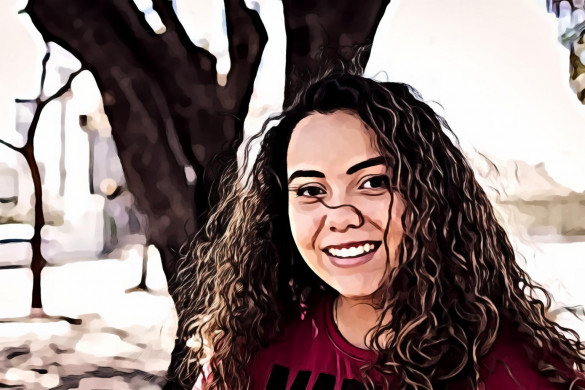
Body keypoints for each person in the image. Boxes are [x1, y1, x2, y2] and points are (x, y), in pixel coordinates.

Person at [170, 70, 585, 390]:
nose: (340, 215)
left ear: (429, 196)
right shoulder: (247, 352)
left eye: (373, 182)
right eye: (311, 190)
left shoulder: (514, 372)